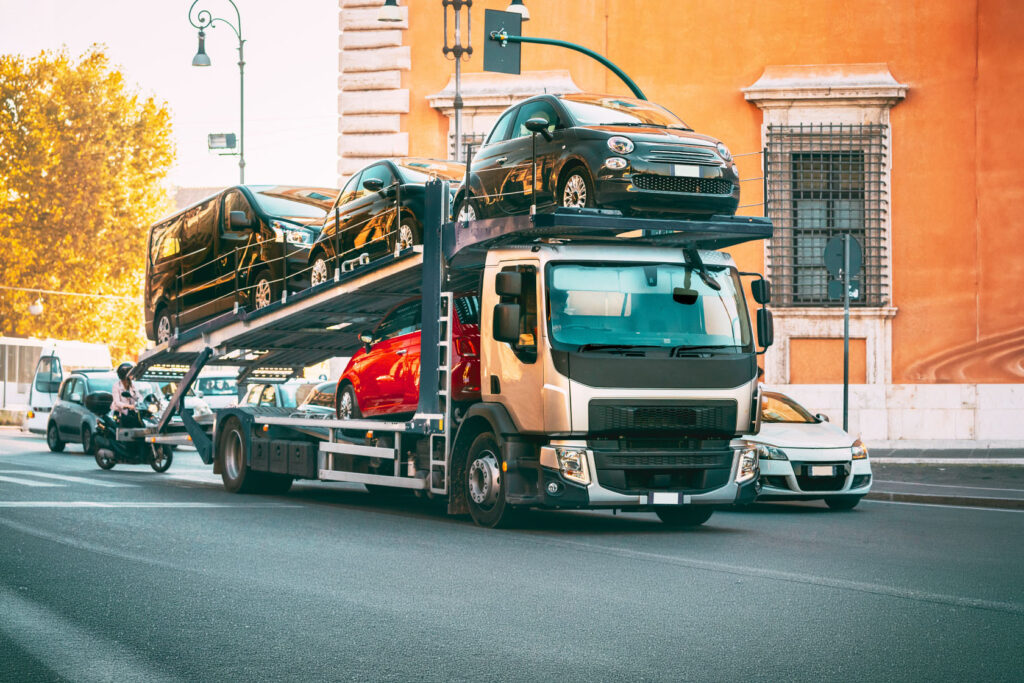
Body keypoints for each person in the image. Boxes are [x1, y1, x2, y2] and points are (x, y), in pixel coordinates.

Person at [111, 362, 145, 427]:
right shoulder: (116, 386)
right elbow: (117, 402)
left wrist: (142, 402)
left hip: (132, 412)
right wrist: (129, 406)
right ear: (125, 374)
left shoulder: (132, 385)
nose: (132, 376)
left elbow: (138, 396)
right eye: (131, 374)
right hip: (121, 413)